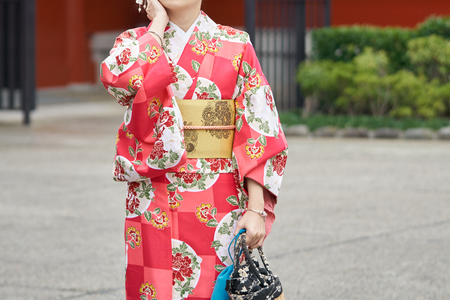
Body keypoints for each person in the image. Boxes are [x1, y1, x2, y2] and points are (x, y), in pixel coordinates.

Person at [100, 0, 288, 299]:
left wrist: (255, 209)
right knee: (154, 287)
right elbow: (120, 81)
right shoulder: (135, 42)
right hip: (154, 193)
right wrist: (158, 24)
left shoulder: (236, 45)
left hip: (218, 194)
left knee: (216, 287)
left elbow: (258, 129)